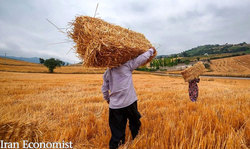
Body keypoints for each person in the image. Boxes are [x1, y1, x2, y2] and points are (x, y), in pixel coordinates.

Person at [102, 48, 156, 149]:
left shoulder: (107, 72)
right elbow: (141, 59)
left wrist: (108, 99)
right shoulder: (127, 65)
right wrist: (151, 51)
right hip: (130, 102)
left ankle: (117, 145)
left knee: (117, 130)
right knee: (135, 123)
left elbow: (104, 89)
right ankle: (137, 141)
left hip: (115, 106)